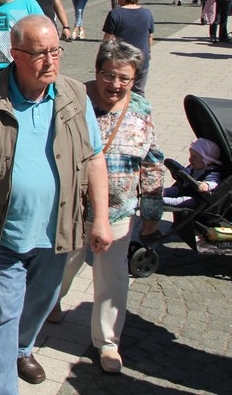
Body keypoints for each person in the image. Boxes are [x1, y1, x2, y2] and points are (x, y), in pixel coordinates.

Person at [0, 14, 111, 391]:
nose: (50, 61)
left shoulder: (75, 96)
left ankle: (22, 347)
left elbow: (94, 158)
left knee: (41, 302)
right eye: (39, 54)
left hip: (57, 233)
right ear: (14, 54)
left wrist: (100, 218)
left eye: (55, 51)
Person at [50, 39, 163, 374]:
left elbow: (153, 160)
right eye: (108, 75)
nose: (115, 84)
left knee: (112, 278)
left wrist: (152, 211)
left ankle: (108, 342)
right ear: (96, 71)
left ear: (135, 79)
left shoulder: (141, 109)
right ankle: (51, 301)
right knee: (63, 264)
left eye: (124, 78)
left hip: (119, 210)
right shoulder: (74, 100)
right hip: (72, 207)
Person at [102, 0, 154, 95]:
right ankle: (140, 112)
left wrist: (103, 57)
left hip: (121, 61)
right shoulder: (147, 13)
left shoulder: (115, 14)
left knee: (119, 91)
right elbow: (149, 36)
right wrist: (149, 52)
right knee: (139, 92)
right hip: (141, 59)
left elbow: (108, 39)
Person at [162, 138, 222, 208]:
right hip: (186, 188)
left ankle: (160, 201)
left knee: (184, 200)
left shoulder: (212, 171)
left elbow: (214, 182)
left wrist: (206, 185)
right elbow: (187, 173)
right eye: (190, 156)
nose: (190, 159)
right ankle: (152, 194)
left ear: (207, 161)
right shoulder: (194, 167)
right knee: (173, 190)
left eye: (194, 157)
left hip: (196, 197)